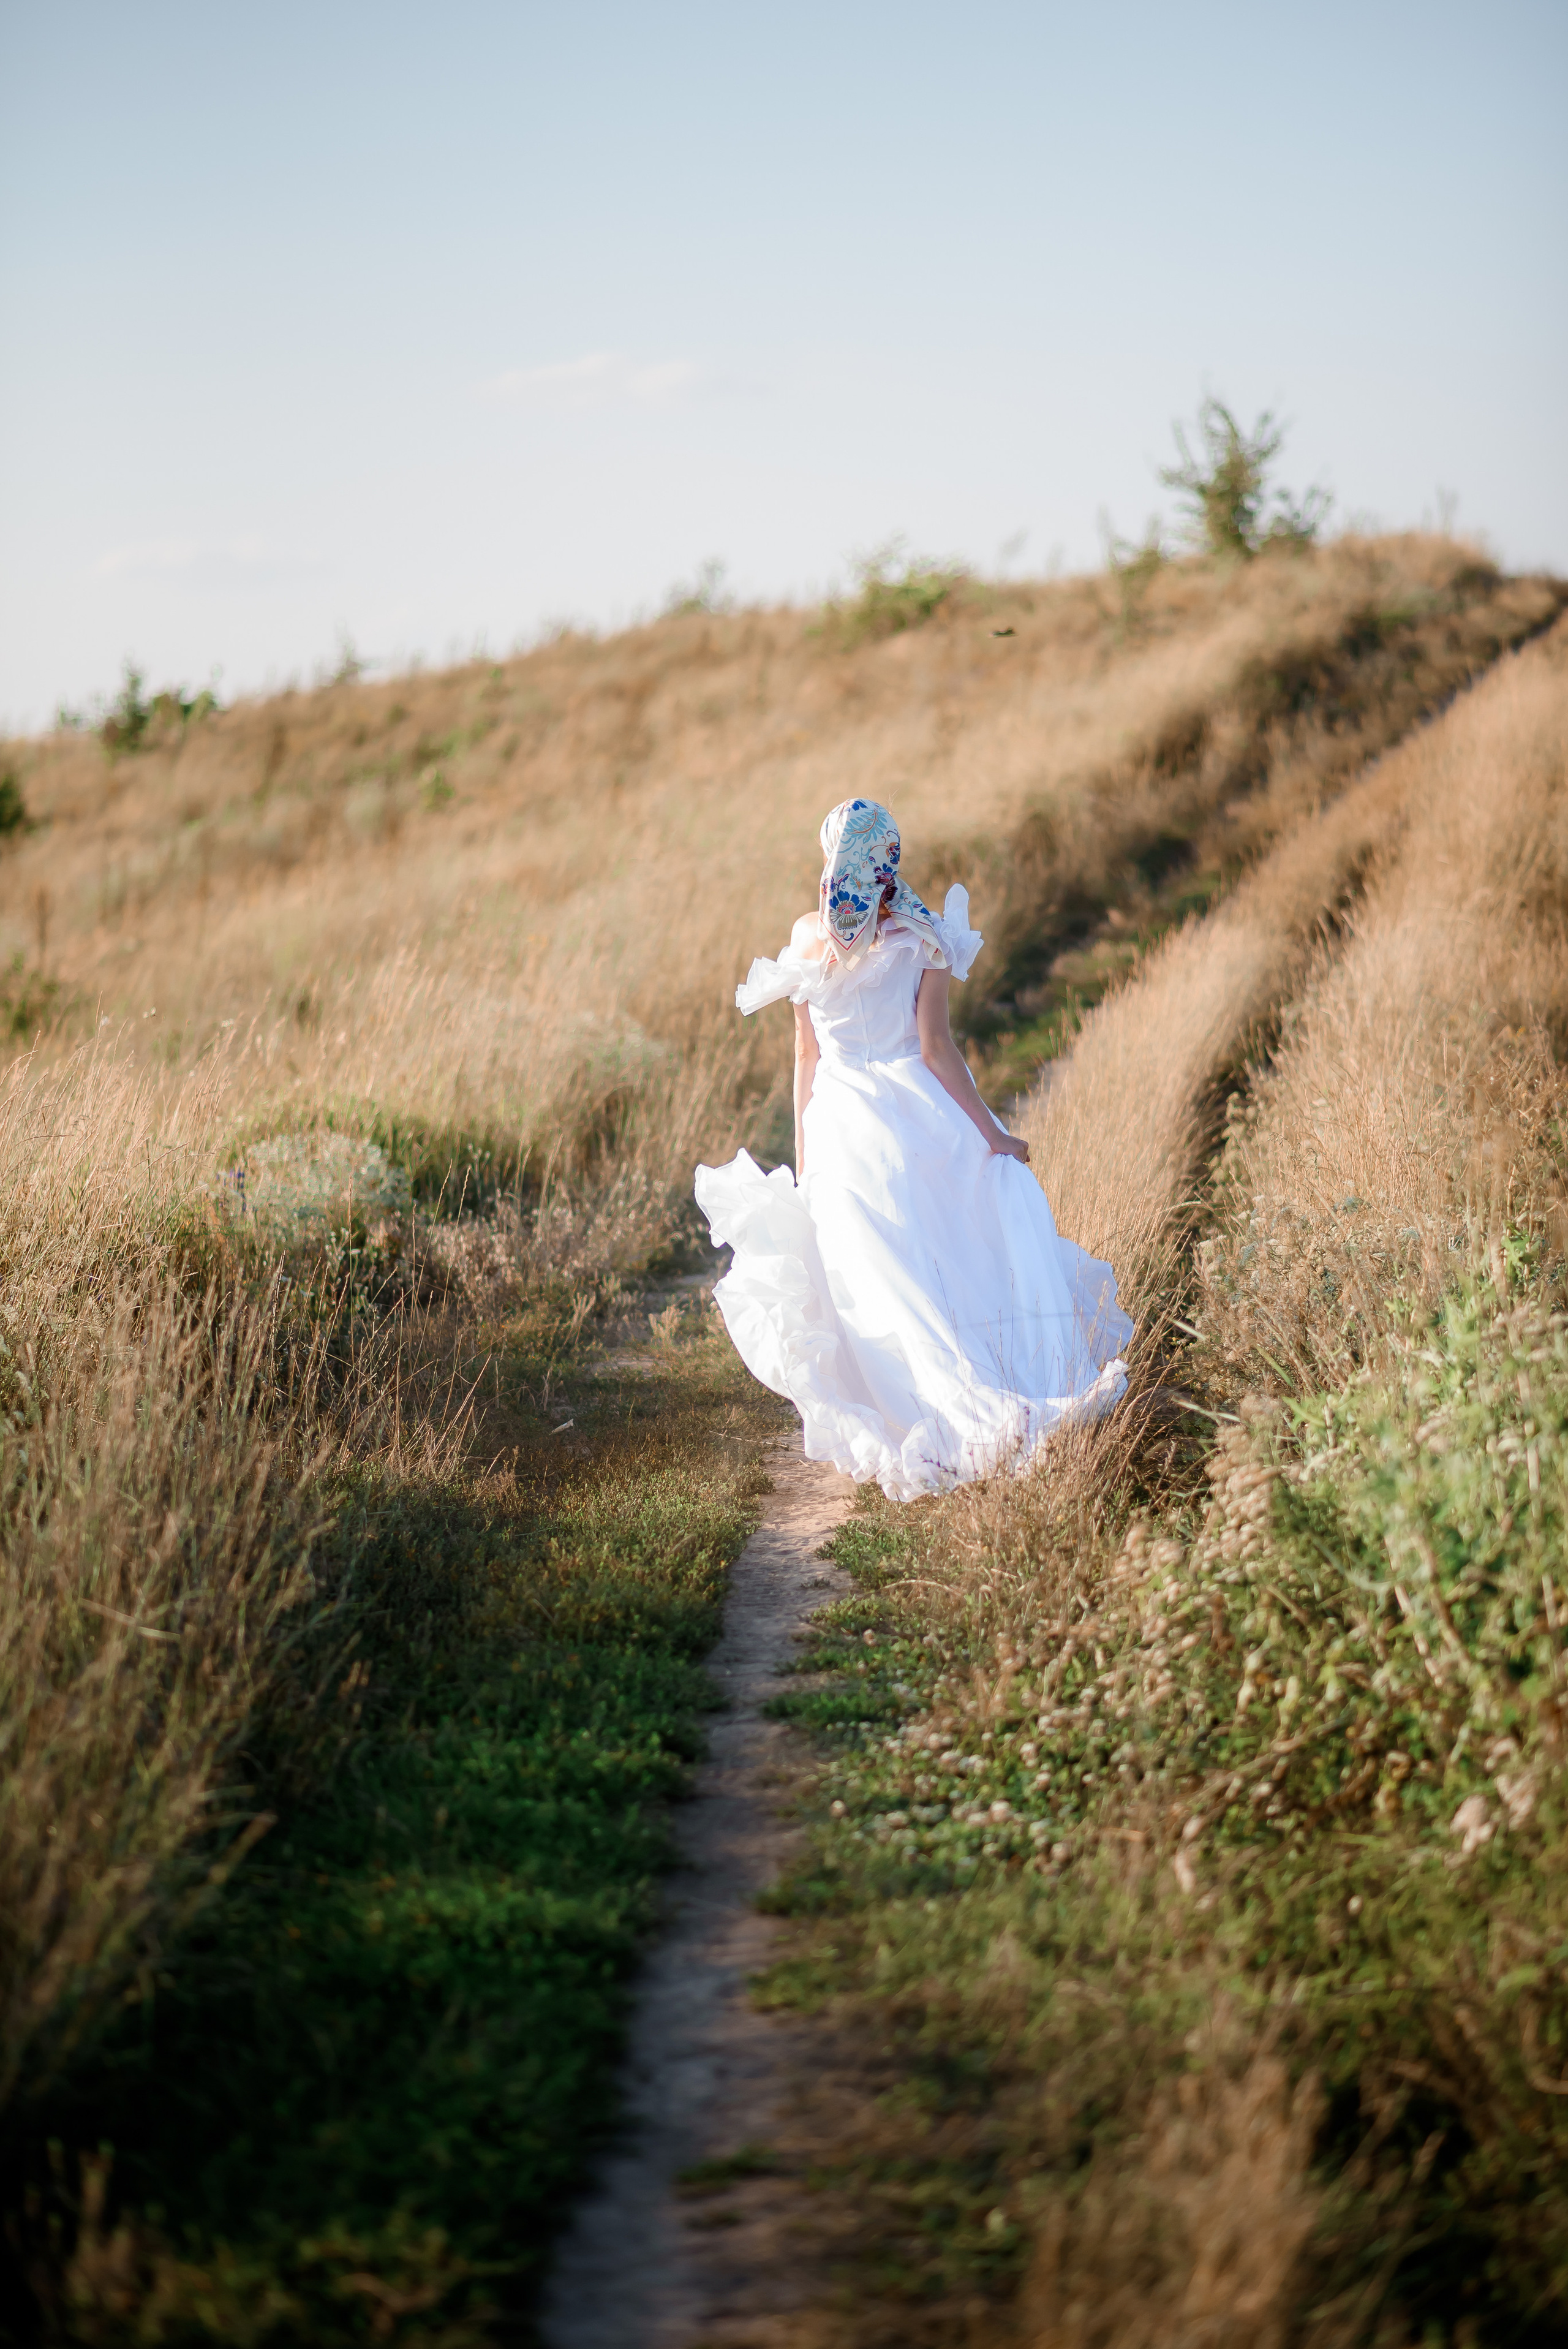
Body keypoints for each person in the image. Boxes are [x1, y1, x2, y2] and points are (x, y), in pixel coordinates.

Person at [694, 798, 1130, 1500]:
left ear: (829, 855)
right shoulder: (922, 934)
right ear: (890, 856)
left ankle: (927, 1408)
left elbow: (806, 1057)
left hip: (842, 1123)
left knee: (878, 1277)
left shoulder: (807, 937)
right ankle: (994, 1391)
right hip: (920, 1113)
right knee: (949, 1256)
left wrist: (805, 1160)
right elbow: (934, 1050)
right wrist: (992, 1136)